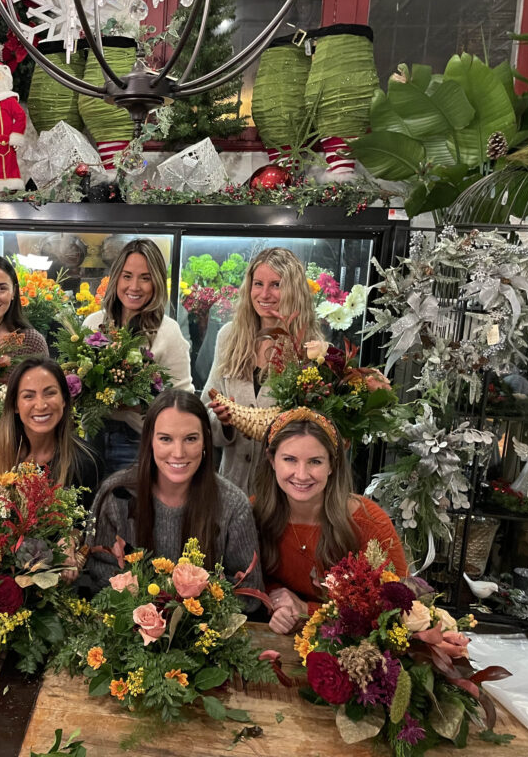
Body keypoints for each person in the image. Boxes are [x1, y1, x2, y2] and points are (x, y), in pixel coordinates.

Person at [87, 390, 263, 611]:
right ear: (150, 441)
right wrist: (147, 608)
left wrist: (193, 608)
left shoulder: (233, 505)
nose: (178, 453)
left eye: (191, 439)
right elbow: (96, 575)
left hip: (208, 628)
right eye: (165, 439)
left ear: (205, 441)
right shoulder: (115, 495)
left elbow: (249, 593)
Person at [252, 407, 408, 635]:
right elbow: (243, 583)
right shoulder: (254, 513)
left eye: (315, 462)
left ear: (332, 465)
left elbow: (397, 607)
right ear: (271, 460)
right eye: (290, 459)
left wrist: (306, 610)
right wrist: (276, 599)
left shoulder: (369, 523)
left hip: (350, 643)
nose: (301, 474)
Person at [203, 247, 323, 495]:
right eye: (258, 284)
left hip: (284, 493)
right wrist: (223, 422)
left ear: (293, 290)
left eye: (276, 285)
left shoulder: (311, 349)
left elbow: (319, 430)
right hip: (231, 489)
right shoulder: (229, 337)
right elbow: (205, 409)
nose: (264, 294)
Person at [83, 239, 193, 473]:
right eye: (127, 276)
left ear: (157, 282)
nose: (134, 286)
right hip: (93, 437)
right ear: (116, 278)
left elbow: (183, 399)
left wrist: (139, 404)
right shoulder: (93, 323)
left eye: (145, 278)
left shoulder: (168, 331)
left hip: (138, 442)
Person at [0, 358, 101, 507]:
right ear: (15, 405)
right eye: (28, 396)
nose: (41, 405)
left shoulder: (86, 462)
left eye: (50, 393)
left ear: (64, 399)